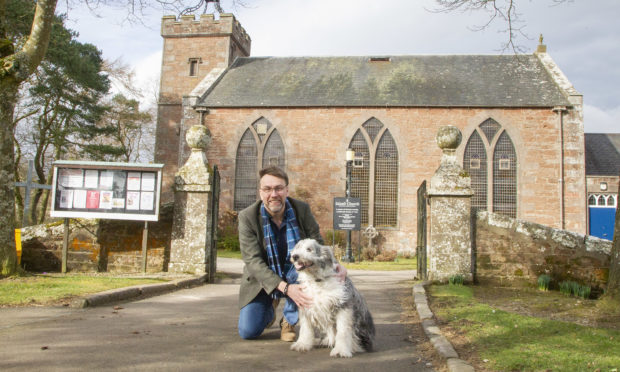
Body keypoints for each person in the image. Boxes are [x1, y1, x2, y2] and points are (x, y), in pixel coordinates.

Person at [237, 166, 346, 341]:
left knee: (303, 271)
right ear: (260, 192)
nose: (273, 194)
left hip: (297, 272)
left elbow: (317, 242)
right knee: (248, 331)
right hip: (263, 280)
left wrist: (335, 265)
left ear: (287, 190)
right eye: (267, 189)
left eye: (278, 188)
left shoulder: (301, 210)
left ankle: (289, 320)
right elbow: (253, 261)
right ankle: (270, 306)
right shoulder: (247, 217)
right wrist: (285, 288)